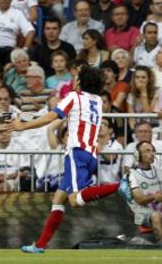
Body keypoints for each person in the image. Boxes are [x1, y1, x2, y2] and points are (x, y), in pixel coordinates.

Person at [8, 66, 125, 253]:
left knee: (75, 200)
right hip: (90, 154)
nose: (74, 79)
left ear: (80, 82)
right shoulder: (96, 100)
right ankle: (40, 245)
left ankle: (121, 186)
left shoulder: (74, 97)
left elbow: (52, 116)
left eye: (76, 77)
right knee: (58, 199)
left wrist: (23, 126)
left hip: (76, 153)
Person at [127, 141, 162, 243]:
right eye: (147, 151)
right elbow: (139, 199)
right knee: (156, 215)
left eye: (152, 151)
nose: (151, 153)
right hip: (144, 214)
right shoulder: (132, 175)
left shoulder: (159, 171)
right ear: (138, 155)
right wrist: (155, 197)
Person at [97, 117, 123, 184]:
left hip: (111, 184)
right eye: (98, 123)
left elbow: (111, 158)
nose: (100, 126)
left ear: (110, 130)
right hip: (93, 184)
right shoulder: (90, 143)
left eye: (104, 124)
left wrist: (98, 146)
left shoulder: (116, 145)